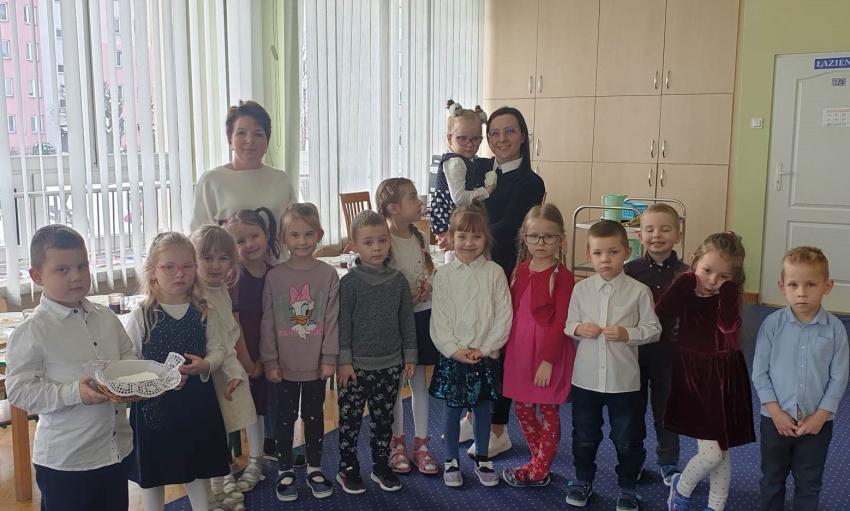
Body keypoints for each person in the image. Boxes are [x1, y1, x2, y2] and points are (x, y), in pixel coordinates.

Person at [5, 225, 137, 511]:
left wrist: (136, 383)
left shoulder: (106, 317)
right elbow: (19, 391)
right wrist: (75, 392)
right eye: (62, 269)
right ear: (37, 276)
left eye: (82, 266)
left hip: (116, 452)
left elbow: (128, 357)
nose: (76, 276)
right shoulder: (32, 332)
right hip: (67, 463)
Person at [125, 232, 230, 511]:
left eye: (186, 266)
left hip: (196, 402)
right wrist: (154, 376)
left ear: (195, 268)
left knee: (197, 466)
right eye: (169, 267)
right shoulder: (142, 314)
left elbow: (218, 350)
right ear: (153, 271)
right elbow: (129, 360)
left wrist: (206, 365)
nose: (179, 273)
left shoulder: (204, 310)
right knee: (153, 473)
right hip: (155, 405)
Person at [464, 106, 545, 460]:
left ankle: (498, 429)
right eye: (494, 132)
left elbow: (512, 225)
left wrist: (466, 238)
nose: (501, 139)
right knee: (474, 343)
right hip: (473, 270)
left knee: (499, 351)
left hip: (507, 273)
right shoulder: (479, 170)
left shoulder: (531, 182)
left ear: (523, 136)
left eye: (509, 131)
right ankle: (472, 415)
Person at [564, 220, 661, 511]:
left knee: (627, 439)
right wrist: (579, 328)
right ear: (588, 255)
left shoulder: (639, 291)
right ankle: (583, 480)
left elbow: (653, 330)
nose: (605, 259)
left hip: (624, 381)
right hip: (586, 380)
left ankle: (628, 487)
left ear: (627, 252)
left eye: (613, 252)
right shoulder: (581, 289)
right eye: (597, 253)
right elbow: (568, 324)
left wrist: (627, 334)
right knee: (584, 436)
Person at [660, 232, 755, 511]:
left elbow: (728, 326)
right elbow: (662, 312)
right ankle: (682, 486)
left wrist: (729, 291)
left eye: (724, 276)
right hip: (695, 377)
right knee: (712, 453)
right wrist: (685, 281)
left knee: (722, 450)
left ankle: (716, 505)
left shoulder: (728, 296)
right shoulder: (687, 288)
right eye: (707, 270)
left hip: (726, 377)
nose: (713, 280)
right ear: (695, 263)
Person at [752, 246, 848, 511]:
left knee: (809, 482)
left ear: (827, 286)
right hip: (775, 421)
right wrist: (775, 412)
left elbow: (839, 377)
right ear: (782, 286)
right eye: (793, 284)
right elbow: (759, 372)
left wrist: (820, 416)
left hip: (817, 424)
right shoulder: (772, 325)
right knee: (772, 479)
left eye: (811, 284)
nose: (802, 292)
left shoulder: (835, 330)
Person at [429, 204, 513, 489]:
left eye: (476, 237)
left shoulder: (495, 272)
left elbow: (503, 315)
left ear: (485, 238)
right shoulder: (443, 275)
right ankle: (451, 460)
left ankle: (483, 458)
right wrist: (453, 350)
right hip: (453, 355)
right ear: (451, 238)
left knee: (483, 409)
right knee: (452, 410)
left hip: (484, 355)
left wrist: (486, 348)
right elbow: (439, 319)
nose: (468, 243)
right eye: (462, 236)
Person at [260, 203, 339, 502]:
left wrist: (329, 358)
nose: (302, 241)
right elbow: (268, 322)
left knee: (314, 417)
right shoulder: (275, 277)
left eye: (309, 234)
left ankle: (315, 468)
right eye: (294, 235)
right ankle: (285, 471)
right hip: (283, 367)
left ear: (320, 234)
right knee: (284, 419)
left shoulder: (328, 275)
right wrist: (270, 361)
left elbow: (331, 319)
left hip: (317, 365)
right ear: (283, 237)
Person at [335, 210, 418, 495]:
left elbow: (406, 321)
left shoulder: (398, 281)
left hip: (390, 365)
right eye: (368, 242)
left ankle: (381, 466)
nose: (377, 248)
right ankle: (347, 468)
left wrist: (410, 355)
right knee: (350, 421)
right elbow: (343, 325)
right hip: (354, 368)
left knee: (384, 421)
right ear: (354, 245)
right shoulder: (349, 283)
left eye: (382, 240)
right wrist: (344, 361)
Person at [501, 204, 576, 488]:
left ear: (560, 239)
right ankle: (539, 463)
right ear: (524, 237)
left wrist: (548, 360)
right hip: (520, 351)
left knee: (547, 410)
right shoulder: (519, 270)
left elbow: (561, 322)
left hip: (547, 352)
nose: (541, 242)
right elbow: (510, 311)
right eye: (534, 236)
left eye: (549, 236)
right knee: (522, 409)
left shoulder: (563, 276)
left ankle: (539, 469)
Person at [376, 177, 440, 476]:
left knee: (419, 384)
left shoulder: (419, 236)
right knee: (395, 386)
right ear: (393, 208)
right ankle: (397, 443)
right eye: (412, 197)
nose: (419, 201)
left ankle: (421, 444)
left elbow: (425, 271)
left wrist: (427, 286)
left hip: (421, 316)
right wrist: (402, 299)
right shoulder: (383, 242)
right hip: (395, 322)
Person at [190, 224, 257, 511]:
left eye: (223, 258)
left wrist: (242, 364)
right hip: (209, 371)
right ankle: (215, 488)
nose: (216, 265)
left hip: (227, 367)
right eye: (207, 258)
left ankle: (223, 478)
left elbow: (232, 330)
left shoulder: (222, 290)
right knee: (211, 430)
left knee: (228, 424)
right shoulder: (195, 293)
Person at [623, 203, 687, 485]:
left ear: (678, 235)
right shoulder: (629, 271)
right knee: (632, 410)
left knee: (667, 410)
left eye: (665, 229)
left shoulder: (687, 274)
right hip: (635, 353)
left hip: (670, 355)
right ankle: (633, 460)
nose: (656, 235)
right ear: (639, 235)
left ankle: (668, 462)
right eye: (649, 229)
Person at [190, 100, 297, 264]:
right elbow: (198, 238)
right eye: (241, 133)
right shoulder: (212, 180)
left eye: (258, 134)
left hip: (277, 272)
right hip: (230, 274)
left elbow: (294, 229)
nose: (250, 140)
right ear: (230, 140)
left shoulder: (280, 179)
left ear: (267, 141)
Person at [226, 208, 279, 492]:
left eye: (254, 236)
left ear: (266, 234)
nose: (249, 244)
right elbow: (233, 324)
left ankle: (260, 457)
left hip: (267, 355)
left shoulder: (275, 273)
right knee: (245, 410)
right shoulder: (234, 278)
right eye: (240, 241)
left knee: (262, 407)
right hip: (242, 356)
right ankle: (241, 465)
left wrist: (268, 358)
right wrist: (247, 361)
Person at [430, 100, 495, 257]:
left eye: (476, 139)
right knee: (458, 262)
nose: (469, 144)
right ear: (449, 138)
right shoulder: (455, 162)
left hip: (457, 221)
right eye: (462, 138)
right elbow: (459, 198)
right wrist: (486, 191)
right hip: (451, 221)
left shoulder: (467, 160)